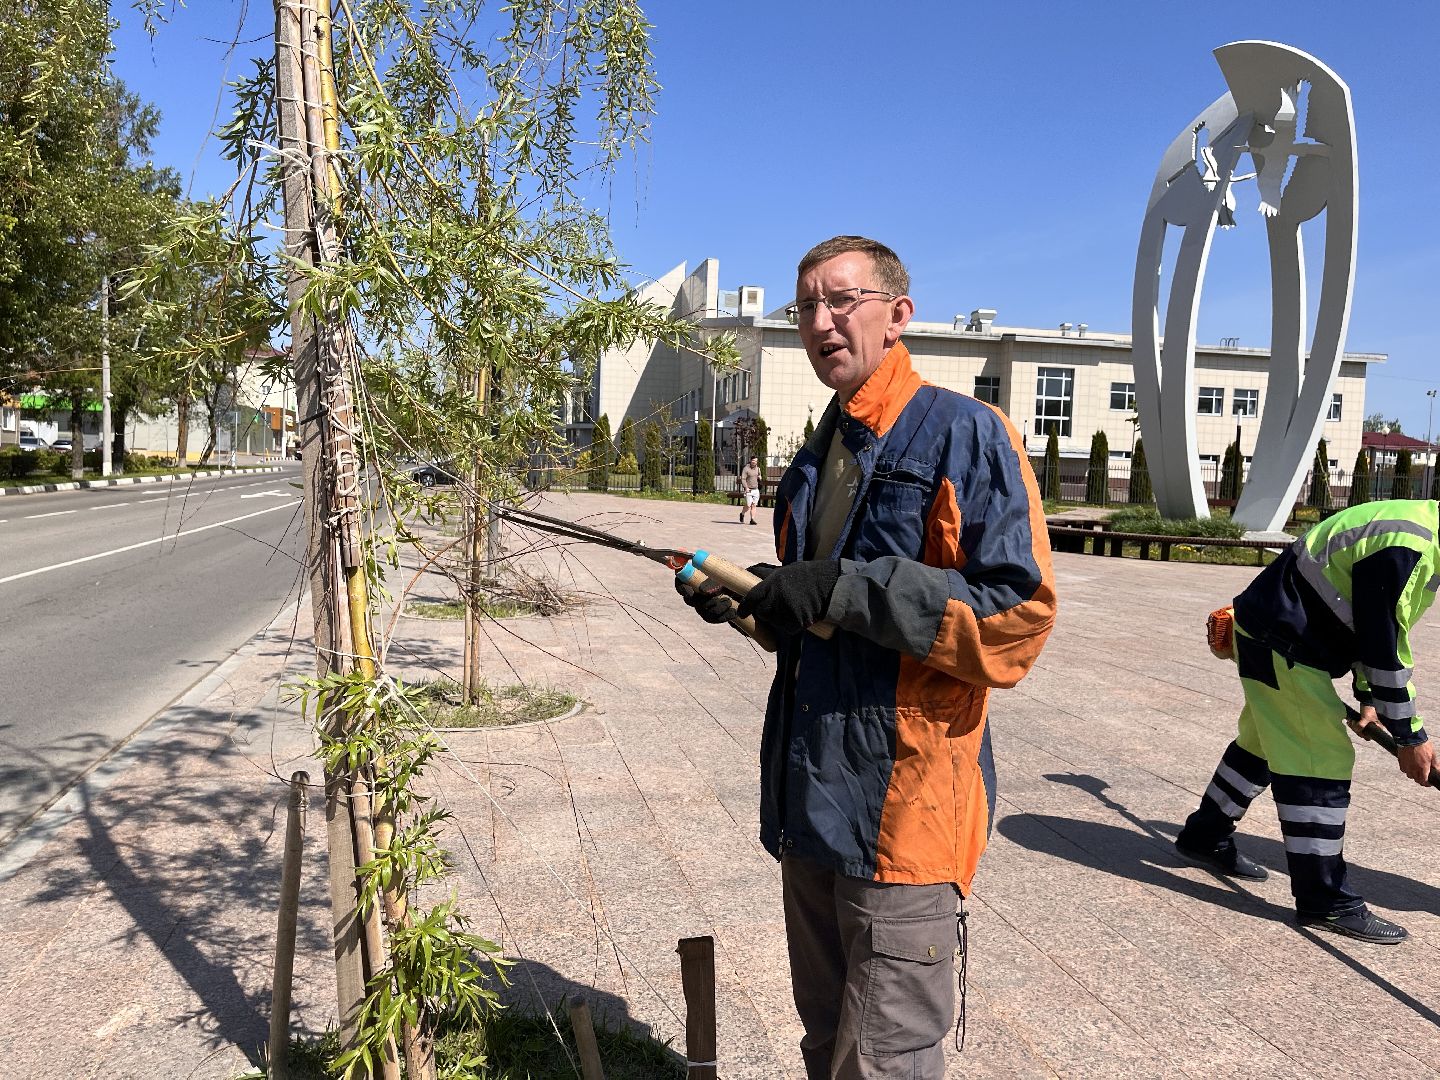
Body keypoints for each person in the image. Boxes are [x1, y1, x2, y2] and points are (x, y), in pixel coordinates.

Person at [678, 236, 1056, 1078]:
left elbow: (1017, 621)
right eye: (806, 305)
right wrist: (750, 603)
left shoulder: (966, 436)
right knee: (826, 1046)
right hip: (809, 809)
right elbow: (807, 630)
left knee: (884, 1062)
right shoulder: (816, 460)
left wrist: (844, 587)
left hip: (905, 822)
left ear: (898, 315)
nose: (821, 321)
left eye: (842, 299)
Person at [1176, 499, 1440, 944]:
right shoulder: (1407, 544)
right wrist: (1411, 737)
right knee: (1319, 759)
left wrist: (1369, 695)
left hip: (1269, 629)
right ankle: (1325, 900)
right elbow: (1383, 643)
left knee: (1262, 742)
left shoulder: (1418, 529)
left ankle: (1205, 835)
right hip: (1284, 641)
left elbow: (1373, 622)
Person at [740, 454, 763, 524]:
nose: (754, 462)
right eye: (753, 460)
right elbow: (743, 479)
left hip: (756, 490)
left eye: (756, 461)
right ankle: (742, 513)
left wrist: (759, 477)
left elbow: (759, 475)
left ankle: (752, 519)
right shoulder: (746, 469)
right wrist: (746, 487)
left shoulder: (758, 469)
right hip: (749, 490)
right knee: (748, 505)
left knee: (754, 505)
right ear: (750, 460)